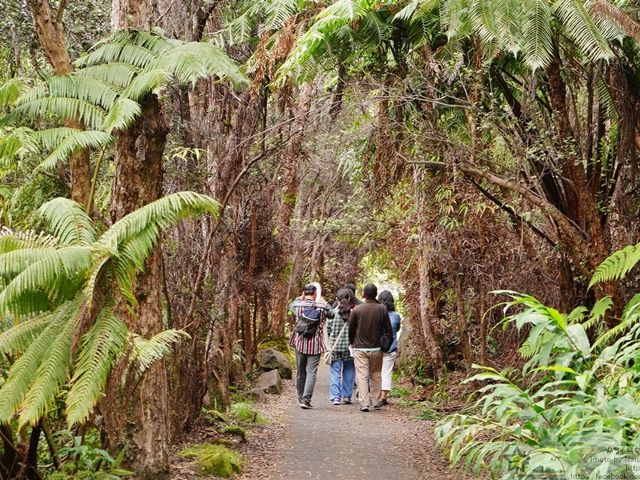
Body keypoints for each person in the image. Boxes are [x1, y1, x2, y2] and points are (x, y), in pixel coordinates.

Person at [348, 283, 392, 412]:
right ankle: (377, 401)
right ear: (376, 294)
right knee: (376, 374)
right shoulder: (382, 309)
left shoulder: (357, 309)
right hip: (376, 348)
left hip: (360, 348)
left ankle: (364, 403)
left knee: (362, 376)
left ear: (363, 294)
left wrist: (352, 342)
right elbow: (388, 330)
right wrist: (386, 344)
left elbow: (351, 329)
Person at [289, 283, 329, 409]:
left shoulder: (297, 306)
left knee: (300, 371)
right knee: (311, 372)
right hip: (315, 344)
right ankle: (306, 399)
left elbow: (291, 306)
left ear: (304, 293)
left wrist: (299, 298)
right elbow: (332, 312)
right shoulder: (321, 307)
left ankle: (300, 397)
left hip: (300, 343)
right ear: (315, 293)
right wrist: (324, 302)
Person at [326, 289, 356, 405]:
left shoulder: (333, 313)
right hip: (349, 348)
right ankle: (347, 396)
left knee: (335, 372)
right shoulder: (353, 314)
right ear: (349, 299)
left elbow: (328, 330)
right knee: (349, 370)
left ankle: (336, 397)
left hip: (335, 347)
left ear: (337, 300)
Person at [377, 290, 401, 405]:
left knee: (376, 372)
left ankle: (375, 395)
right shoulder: (396, 316)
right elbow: (397, 329)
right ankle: (383, 396)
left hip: (377, 347)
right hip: (390, 348)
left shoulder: (377, 315)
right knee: (386, 372)